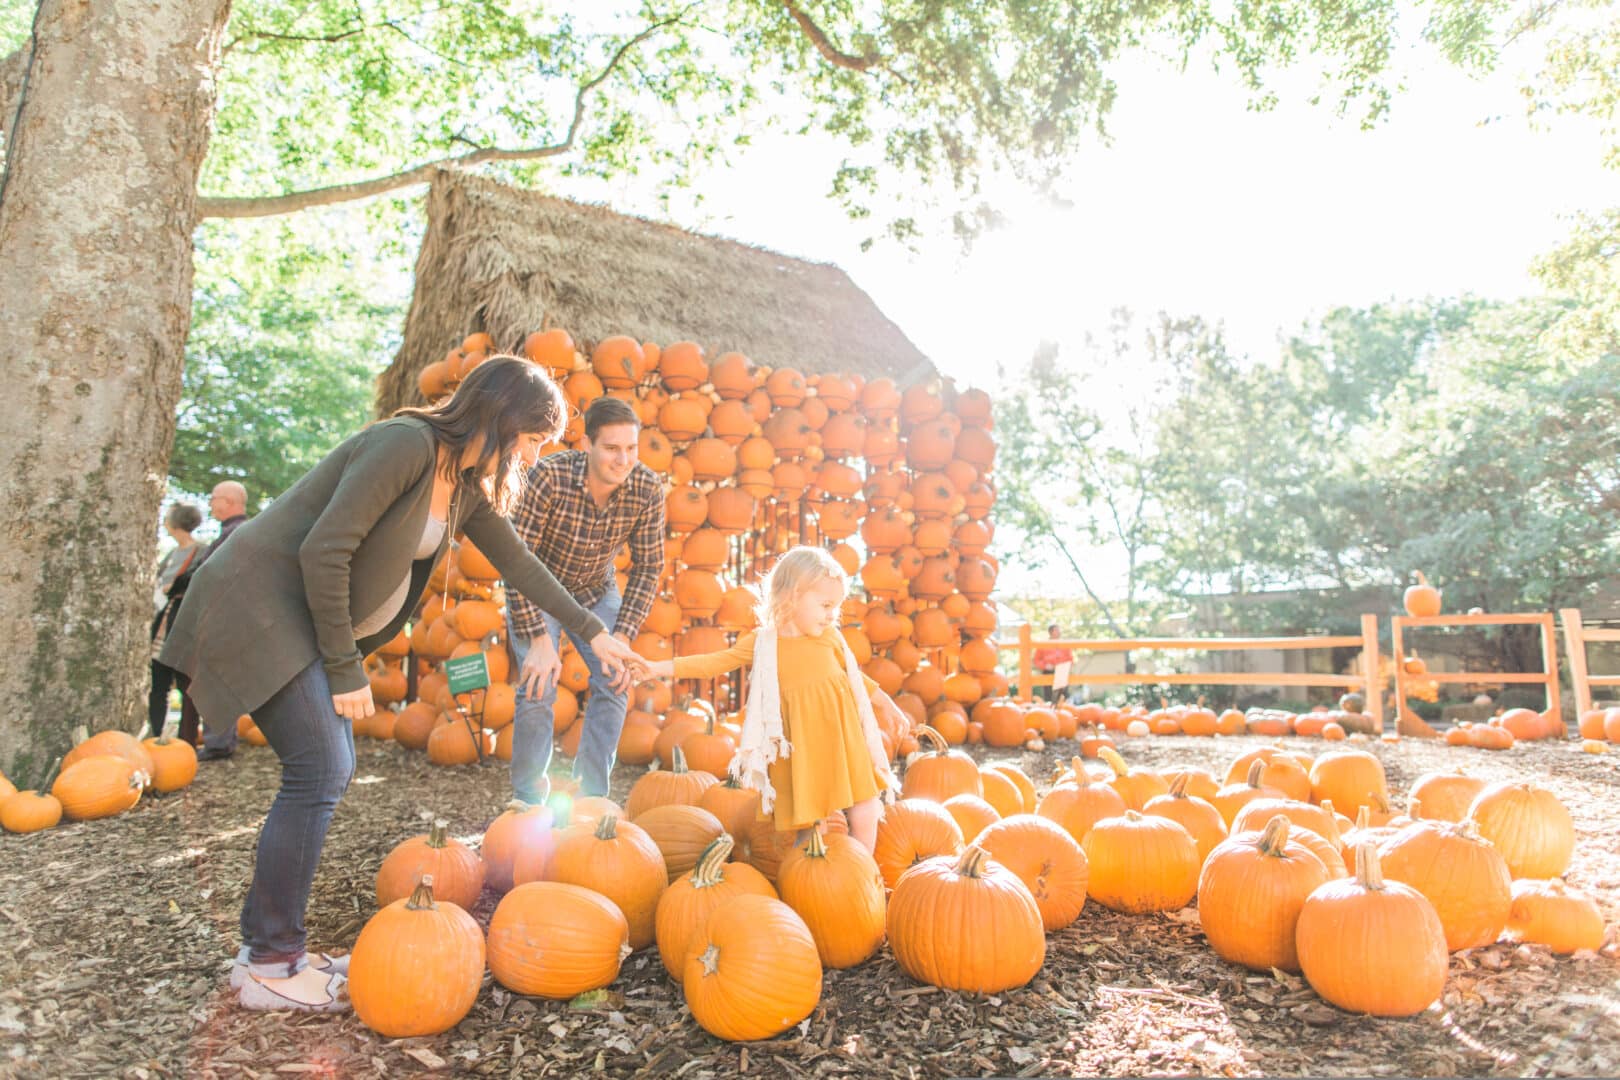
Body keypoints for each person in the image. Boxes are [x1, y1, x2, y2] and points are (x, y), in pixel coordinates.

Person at [160, 357, 643, 1014]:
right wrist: (344, 665)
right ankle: (270, 962)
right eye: (532, 438)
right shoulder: (406, 445)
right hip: (261, 606)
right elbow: (323, 550)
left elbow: (519, 564)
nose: (533, 454)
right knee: (322, 766)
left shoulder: (464, 483)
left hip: (296, 618)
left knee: (323, 768)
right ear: (503, 419)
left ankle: (269, 955)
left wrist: (595, 631)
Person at [644, 547, 902, 852]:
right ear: (792, 597)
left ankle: (862, 867)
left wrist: (887, 703)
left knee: (866, 802)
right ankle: (804, 879)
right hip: (802, 745)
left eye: (836, 606)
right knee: (809, 822)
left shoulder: (829, 637)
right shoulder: (764, 644)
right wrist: (654, 667)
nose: (833, 614)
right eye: (825, 605)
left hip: (841, 737)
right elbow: (712, 662)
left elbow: (855, 679)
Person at [505, 395, 664, 804]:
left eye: (631, 448)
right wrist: (540, 640)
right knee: (538, 684)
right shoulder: (549, 477)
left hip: (595, 591)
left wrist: (624, 636)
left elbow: (648, 568)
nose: (623, 459)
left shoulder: (647, 488)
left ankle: (591, 798)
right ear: (588, 445)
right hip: (539, 590)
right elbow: (516, 560)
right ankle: (527, 800)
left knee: (616, 679)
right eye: (612, 448)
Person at [166, 480, 253, 756]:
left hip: (226, 619)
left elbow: (223, 576)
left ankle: (219, 742)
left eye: (214, 498)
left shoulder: (238, 532)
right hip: (223, 617)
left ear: (229, 501)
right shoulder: (230, 532)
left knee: (218, 681)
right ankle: (217, 740)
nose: (210, 503)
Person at [147, 502, 203, 739]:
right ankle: (156, 733)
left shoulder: (200, 551)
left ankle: (186, 739)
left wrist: (174, 588)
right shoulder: (171, 554)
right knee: (158, 684)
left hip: (183, 623)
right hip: (162, 621)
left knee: (185, 683)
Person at [1032, 623, 1074, 703]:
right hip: (1048, 671)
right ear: (1051, 632)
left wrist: (1065, 666)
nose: (1059, 632)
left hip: (1062, 671)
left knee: (1063, 694)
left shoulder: (1065, 645)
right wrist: (1045, 666)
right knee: (1049, 695)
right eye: (1057, 630)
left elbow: (1070, 659)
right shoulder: (1043, 645)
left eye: (1059, 630)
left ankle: (1064, 710)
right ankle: (1050, 711)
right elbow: (1036, 660)